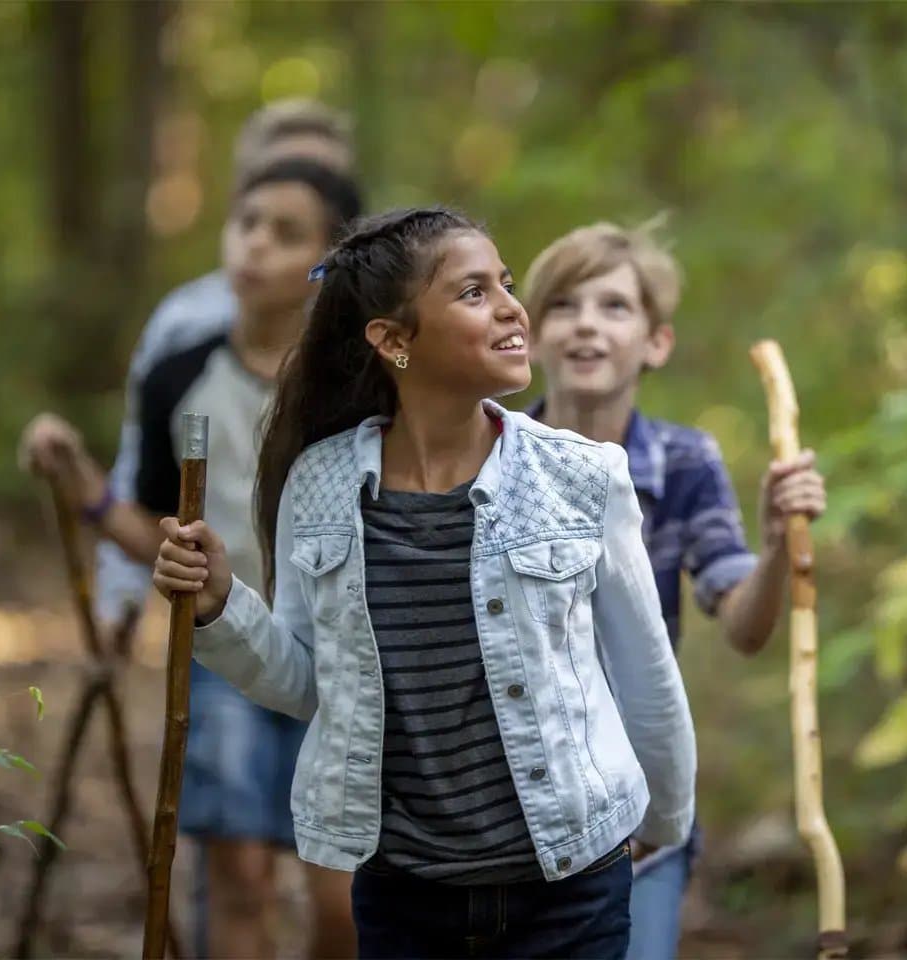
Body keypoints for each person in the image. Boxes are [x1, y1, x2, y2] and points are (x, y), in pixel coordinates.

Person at [149, 207, 697, 960]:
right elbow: (311, 683)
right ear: (394, 340)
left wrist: (662, 827)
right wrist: (220, 605)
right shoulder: (325, 483)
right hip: (405, 893)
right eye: (474, 292)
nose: (513, 306)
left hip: (571, 884)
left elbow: (646, 674)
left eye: (507, 284)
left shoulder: (580, 476)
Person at [21, 159, 363, 959]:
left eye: (286, 234)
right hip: (222, 649)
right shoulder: (180, 373)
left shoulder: (358, 387)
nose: (254, 247)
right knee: (237, 875)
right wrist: (83, 486)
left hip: (348, 656)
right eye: (246, 224)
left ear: (331, 257)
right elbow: (153, 529)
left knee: (342, 897)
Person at [521, 221, 828, 960]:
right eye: (564, 305)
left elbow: (745, 625)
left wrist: (780, 540)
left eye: (615, 307)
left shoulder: (686, 462)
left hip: (640, 802)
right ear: (530, 337)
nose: (588, 323)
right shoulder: (490, 454)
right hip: (517, 799)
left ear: (656, 343)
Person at [96, 98, 356, 627]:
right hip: (226, 627)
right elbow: (142, 478)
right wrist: (120, 599)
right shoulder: (183, 331)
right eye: (252, 217)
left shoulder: (367, 360)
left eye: (318, 179)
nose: (259, 243)